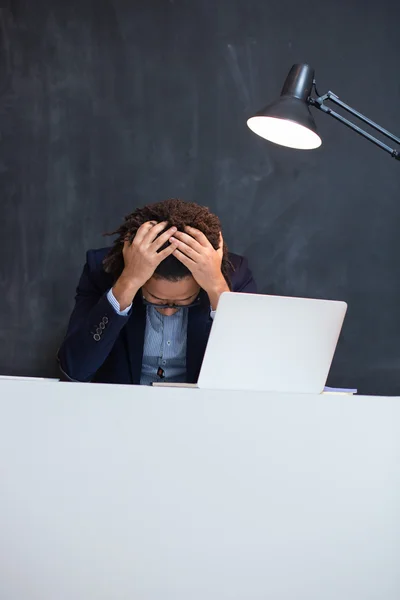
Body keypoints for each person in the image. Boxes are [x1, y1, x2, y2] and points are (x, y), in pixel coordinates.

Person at [58, 198, 257, 384]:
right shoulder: (103, 271)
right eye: (156, 300)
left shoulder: (233, 275)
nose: (169, 311)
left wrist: (217, 289)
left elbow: (252, 374)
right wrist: (127, 282)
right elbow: (75, 370)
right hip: (119, 410)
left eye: (184, 302)